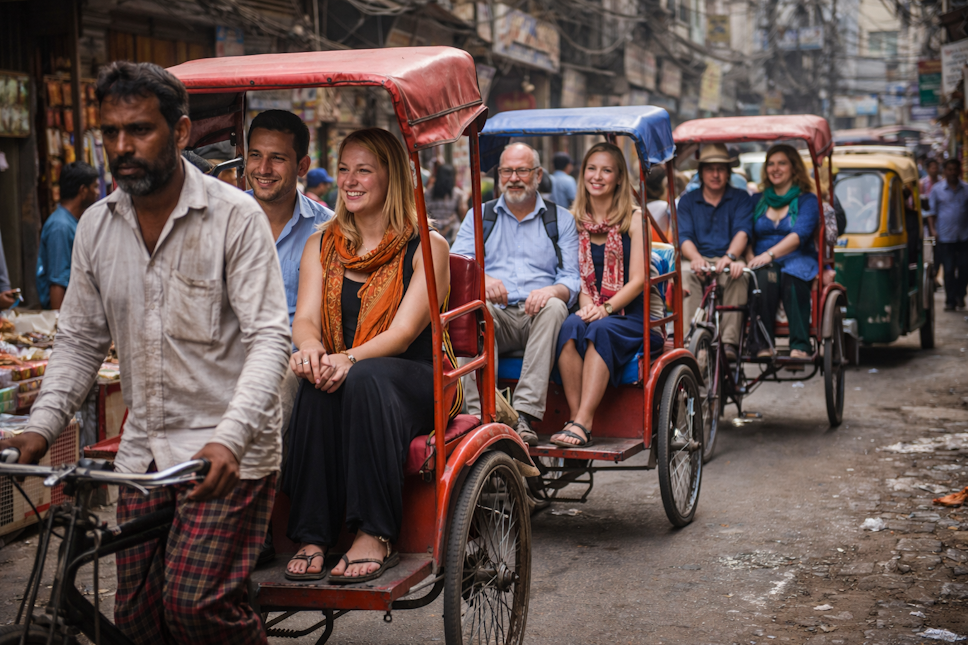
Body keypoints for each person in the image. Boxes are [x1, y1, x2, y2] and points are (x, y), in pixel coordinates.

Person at [0, 61, 292, 645]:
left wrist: (229, 438)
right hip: (145, 457)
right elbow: (81, 340)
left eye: (140, 130)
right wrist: (41, 424)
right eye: (111, 133)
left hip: (227, 451)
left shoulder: (234, 218)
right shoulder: (96, 228)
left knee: (193, 608)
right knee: (134, 623)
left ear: (180, 132)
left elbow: (269, 339)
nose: (122, 146)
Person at [282, 128, 452, 583]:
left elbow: (402, 334)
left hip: (415, 378)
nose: (349, 180)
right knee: (317, 382)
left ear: (390, 176)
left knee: (362, 377)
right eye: (343, 169)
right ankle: (313, 533)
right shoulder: (322, 243)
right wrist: (314, 350)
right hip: (351, 372)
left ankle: (375, 533)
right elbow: (305, 320)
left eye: (364, 170)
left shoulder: (427, 246)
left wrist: (348, 359)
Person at [452, 143, 580, 446]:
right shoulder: (479, 216)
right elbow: (457, 268)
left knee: (554, 305)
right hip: (497, 316)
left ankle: (523, 415)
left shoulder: (560, 219)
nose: (514, 178)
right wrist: (483, 280)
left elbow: (572, 279)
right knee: (472, 313)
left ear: (537, 175)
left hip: (540, 318)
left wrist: (551, 290)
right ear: (498, 176)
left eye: (522, 170)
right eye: (507, 171)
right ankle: (482, 416)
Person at [550, 142, 663, 447]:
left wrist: (606, 308)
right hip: (593, 307)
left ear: (617, 178)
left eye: (606, 170)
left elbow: (639, 279)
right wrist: (588, 305)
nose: (597, 176)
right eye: (591, 168)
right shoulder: (574, 220)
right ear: (582, 173)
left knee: (599, 328)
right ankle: (576, 418)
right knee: (570, 326)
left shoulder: (634, 218)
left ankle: (584, 420)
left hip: (631, 316)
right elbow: (577, 277)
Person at [244, 109, 333, 326]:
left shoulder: (328, 229)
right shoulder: (220, 217)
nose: (263, 169)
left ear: (302, 166)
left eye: (277, 158)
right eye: (255, 155)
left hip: (297, 355)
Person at [677, 143, 753, 360]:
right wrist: (696, 258)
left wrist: (730, 257)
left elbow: (742, 232)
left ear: (728, 172)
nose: (716, 174)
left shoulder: (740, 198)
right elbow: (684, 238)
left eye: (721, 168)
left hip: (728, 257)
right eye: (710, 169)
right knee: (685, 275)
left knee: (739, 275)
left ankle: (729, 342)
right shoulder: (687, 201)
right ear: (701, 173)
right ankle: (692, 341)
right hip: (695, 258)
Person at [747, 144, 820, 363]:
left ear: (794, 168)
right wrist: (751, 257)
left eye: (782, 163)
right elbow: (746, 233)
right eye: (771, 164)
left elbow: (800, 234)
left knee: (794, 277)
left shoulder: (807, 200)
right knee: (764, 278)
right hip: (763, 261)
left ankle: (800, 344)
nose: (775, 168)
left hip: (797, 256)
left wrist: (769, 254)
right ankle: (762, 343)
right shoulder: (757, 200)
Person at [36, 162, 99, 309]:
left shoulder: (72, 222)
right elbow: (57, 281)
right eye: (94, 187)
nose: (97, 192)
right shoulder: (60, 227)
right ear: (82, 190)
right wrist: (59, 324)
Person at [928, 158, 968, 310]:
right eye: (949, 169)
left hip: (964, 237)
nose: (952, 172)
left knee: (964, 268)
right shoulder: (937, 190)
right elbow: (931, 213)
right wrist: (933, 231)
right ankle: (950, 300)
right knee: (949, 269)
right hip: (945, 237)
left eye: (955, 169)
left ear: (959, 171)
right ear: (944, 171)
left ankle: (960, 295)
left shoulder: (966, 189)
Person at [424, 162, 467, 244]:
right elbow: (462, 213)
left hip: (432, 231)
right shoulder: (457, 194)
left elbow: (424, 211)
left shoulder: (428, 192)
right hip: (452, 232)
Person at [921, 158, 942, 233]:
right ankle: (929, 243)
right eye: (932, 168)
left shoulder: (942, 182)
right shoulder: (922, 183)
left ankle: (936, 244)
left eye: (936, 168)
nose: (935, 170)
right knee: (928, 235)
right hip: (926, 215)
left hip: (938, 214)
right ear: (927, 169)